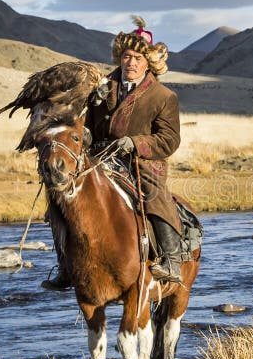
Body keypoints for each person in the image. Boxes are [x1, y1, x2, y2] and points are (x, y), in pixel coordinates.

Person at [41, 16, 185, 289]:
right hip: (99, 157)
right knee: (60, 195)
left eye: (138, 58)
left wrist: (136, 143)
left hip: (141, 163)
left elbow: (169, 140)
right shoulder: (102, 88)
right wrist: (84, 131)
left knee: (155, 197)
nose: (131, 63)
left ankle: (171, 260)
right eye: (127, 56)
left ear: (148, 63)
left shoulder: (164, 97)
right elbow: (90, 126)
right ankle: (65, 265)